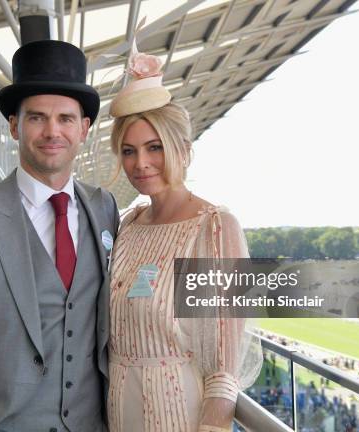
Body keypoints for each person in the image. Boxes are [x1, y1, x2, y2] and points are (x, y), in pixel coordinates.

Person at [0, 40, 119, 432]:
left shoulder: (104, 209)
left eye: (65, 118)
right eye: (37, 118)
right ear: (14, 125)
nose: (52, 131)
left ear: (83, 129)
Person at [105, 47, 262, 431]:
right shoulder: (129, 224)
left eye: (154, 147)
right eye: (129, 151)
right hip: (117, 406)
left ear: (184, 150)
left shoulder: (213, 228)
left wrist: (212, 427)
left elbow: (225, 359)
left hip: (177, 411)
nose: (140, 163)